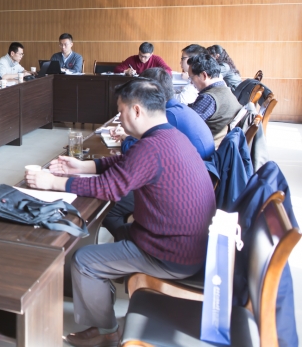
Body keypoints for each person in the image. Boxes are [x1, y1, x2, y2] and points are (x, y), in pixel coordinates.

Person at [25, 79, 215, 347]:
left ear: (136, 110)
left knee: (84, 261)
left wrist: (53, 182)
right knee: (116, 232)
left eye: (121, 110)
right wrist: (83, 166)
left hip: (171, 253)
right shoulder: (170, 135)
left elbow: (109, 188)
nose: (119, 117)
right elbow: (128, 162)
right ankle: (102, 298)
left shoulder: (151, 147)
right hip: (188, 245)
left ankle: (106, 332)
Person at [105, 68, 216, 241]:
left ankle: (131, 246)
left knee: (109, 207)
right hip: (198, 188)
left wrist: (127, 138)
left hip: (180, 198)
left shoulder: (168, 117)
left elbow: (137, 153)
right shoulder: (177, 109)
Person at [187, 53, 242, 145]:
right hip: (220, 144)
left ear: (204, 75)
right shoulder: (224, 89)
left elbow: (187, 125)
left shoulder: (208, 98)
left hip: (208, 147)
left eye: (191, 78)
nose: (191, 82)